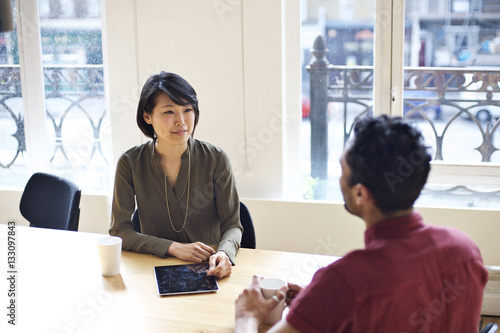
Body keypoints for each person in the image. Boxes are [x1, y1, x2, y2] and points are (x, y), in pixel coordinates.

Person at [235, 115, 488, 332]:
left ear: (360, 194)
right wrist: (320, 306)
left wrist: (248, 316)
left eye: (341, 169)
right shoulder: (464, 250)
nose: (338, 178)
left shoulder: (343, 282)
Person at [110, 71, 242, 279]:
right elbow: (119, 232)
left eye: (187, 110)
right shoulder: (130, 163)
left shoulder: (216, 159)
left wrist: (224, 253)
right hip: (153, 269)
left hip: (208, 269)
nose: (181, 121)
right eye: (169, 112)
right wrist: (173, 247)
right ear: (147, 116)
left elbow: (232, 225)